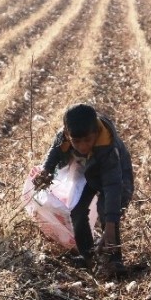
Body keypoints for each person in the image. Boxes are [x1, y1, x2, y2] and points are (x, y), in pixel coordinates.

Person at [33, 104, 134, 275]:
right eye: (76, 141)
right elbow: (55, 152)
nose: (82, 146)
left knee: (107, 212)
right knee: (77, 211)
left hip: (116, 178)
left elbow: (112, 187)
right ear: (68, 135)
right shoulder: (65, 136)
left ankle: (115, 260)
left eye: (88, 140)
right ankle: (88, 255)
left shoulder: (108, 147)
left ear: (95, 132)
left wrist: (109, 226)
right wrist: (46, 171)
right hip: (88, 173)